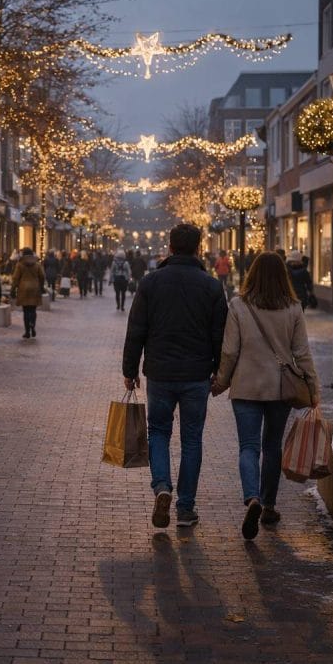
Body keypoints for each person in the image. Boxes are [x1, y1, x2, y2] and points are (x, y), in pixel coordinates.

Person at [122, 224, 228, 529]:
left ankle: (162, 486)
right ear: (198, 248)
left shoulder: (151, 282)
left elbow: (136, 329)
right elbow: (219, 335)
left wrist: (130, 370)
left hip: (160, 372)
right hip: (196, 374)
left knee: (158, 432)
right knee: (192, 438)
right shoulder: (210, 286)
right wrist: (220, 373)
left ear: (170, 247)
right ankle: (185, 508)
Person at [211, 252, 320, 540]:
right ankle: (269, 504)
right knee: (272, 447)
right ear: (283, 276)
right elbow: (302, 354)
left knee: (249, 446)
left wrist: (221, 381)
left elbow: (230, 350)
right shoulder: (293, 308)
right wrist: (313, 389)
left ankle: (252, 498)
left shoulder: (238, 306)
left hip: (246, 387)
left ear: (252, 274)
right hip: (280, 389)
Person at [11, 247, 45, 339]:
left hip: (23, 289)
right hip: (35, 288)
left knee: (26, 311)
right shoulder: (37, 264)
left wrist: (13, 289)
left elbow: (15, 278)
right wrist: (41, 286)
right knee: (33, 310)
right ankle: (32, 325)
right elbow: (42, 276)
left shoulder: (20, 264)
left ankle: (27, 331)